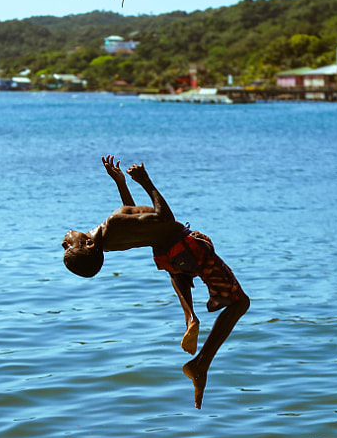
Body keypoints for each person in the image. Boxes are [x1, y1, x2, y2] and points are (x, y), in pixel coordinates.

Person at [62, 155, 250, 408]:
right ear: (87, 244)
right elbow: (164, 218)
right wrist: (145, 181)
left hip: (169, 259)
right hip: (188, 246)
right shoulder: (112, 225)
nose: (64, 241)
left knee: (181, 273)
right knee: (240, 303)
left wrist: (120, 183)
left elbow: (133, 217)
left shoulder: (109, 242)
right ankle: (201, 362)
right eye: (67, 246)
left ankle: (191, 318)